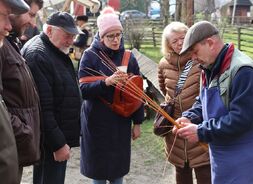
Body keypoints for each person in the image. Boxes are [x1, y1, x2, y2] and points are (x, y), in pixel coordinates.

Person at [173, 21, 253, 184]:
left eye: (195, 51)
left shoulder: (243, 71)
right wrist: (190, 117)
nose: (193, 58)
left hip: (248, 159)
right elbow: (203, 101)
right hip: (222, 158)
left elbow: (241, 120)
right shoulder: (208, 68)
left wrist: (200, 132)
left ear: (210, 43)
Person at [78, 6, 144, 184]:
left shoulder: (129, 57)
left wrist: (137, 122)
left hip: (120, 123)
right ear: (101, 36)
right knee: (98, 175)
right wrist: (105, 82)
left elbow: (138, 93)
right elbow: (83, 91)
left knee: (117, 173)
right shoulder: (89, 56)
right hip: (96, 123)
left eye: (118, 35)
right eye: (110, 36)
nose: (116, 40)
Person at [21, 11, 82, 184]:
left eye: (73, 36)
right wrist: (58, 143)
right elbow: (43, 108)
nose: (71, 41)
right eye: (67, 35)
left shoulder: (51, 49)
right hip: (50, 141)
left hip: (55, 135)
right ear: (49, 31)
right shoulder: (39, 55)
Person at [157, 22, 211, 184]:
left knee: (205, 171)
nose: (180, 43)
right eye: (175, 41)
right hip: (175, 126)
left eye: (183, 38)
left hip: (198, 123)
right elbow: (163, 88)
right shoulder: (163, 64)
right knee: (181, 170)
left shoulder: (200, 60)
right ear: (168, 45)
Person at [0, 0, 43, 182]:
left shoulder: (10, 44)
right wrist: (23, 132)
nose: (33, 24)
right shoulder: (2, 48)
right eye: (31, 15)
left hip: (11, 152)